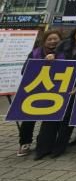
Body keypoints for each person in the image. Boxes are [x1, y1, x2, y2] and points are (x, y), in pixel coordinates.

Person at [35, 24, 76, 159]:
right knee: (50, 117)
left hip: (75, 87)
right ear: (75, 32)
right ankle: (43, 148)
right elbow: (54, 60)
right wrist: (50, 57)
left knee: (66, 119)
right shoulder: (63, 45)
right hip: (57, 85)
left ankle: (59, 148)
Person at [16, 30, 62, 158]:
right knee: (29, 118)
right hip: (36, 90)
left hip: (56, 90)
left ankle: (45, 143)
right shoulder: (35, 52)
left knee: (51, 118)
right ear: (44, 41)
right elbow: (25, 70)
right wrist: (43, 61)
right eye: (49, 39)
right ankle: (24, 143)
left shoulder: (64, 53)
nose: (53, 42)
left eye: (55, 39)